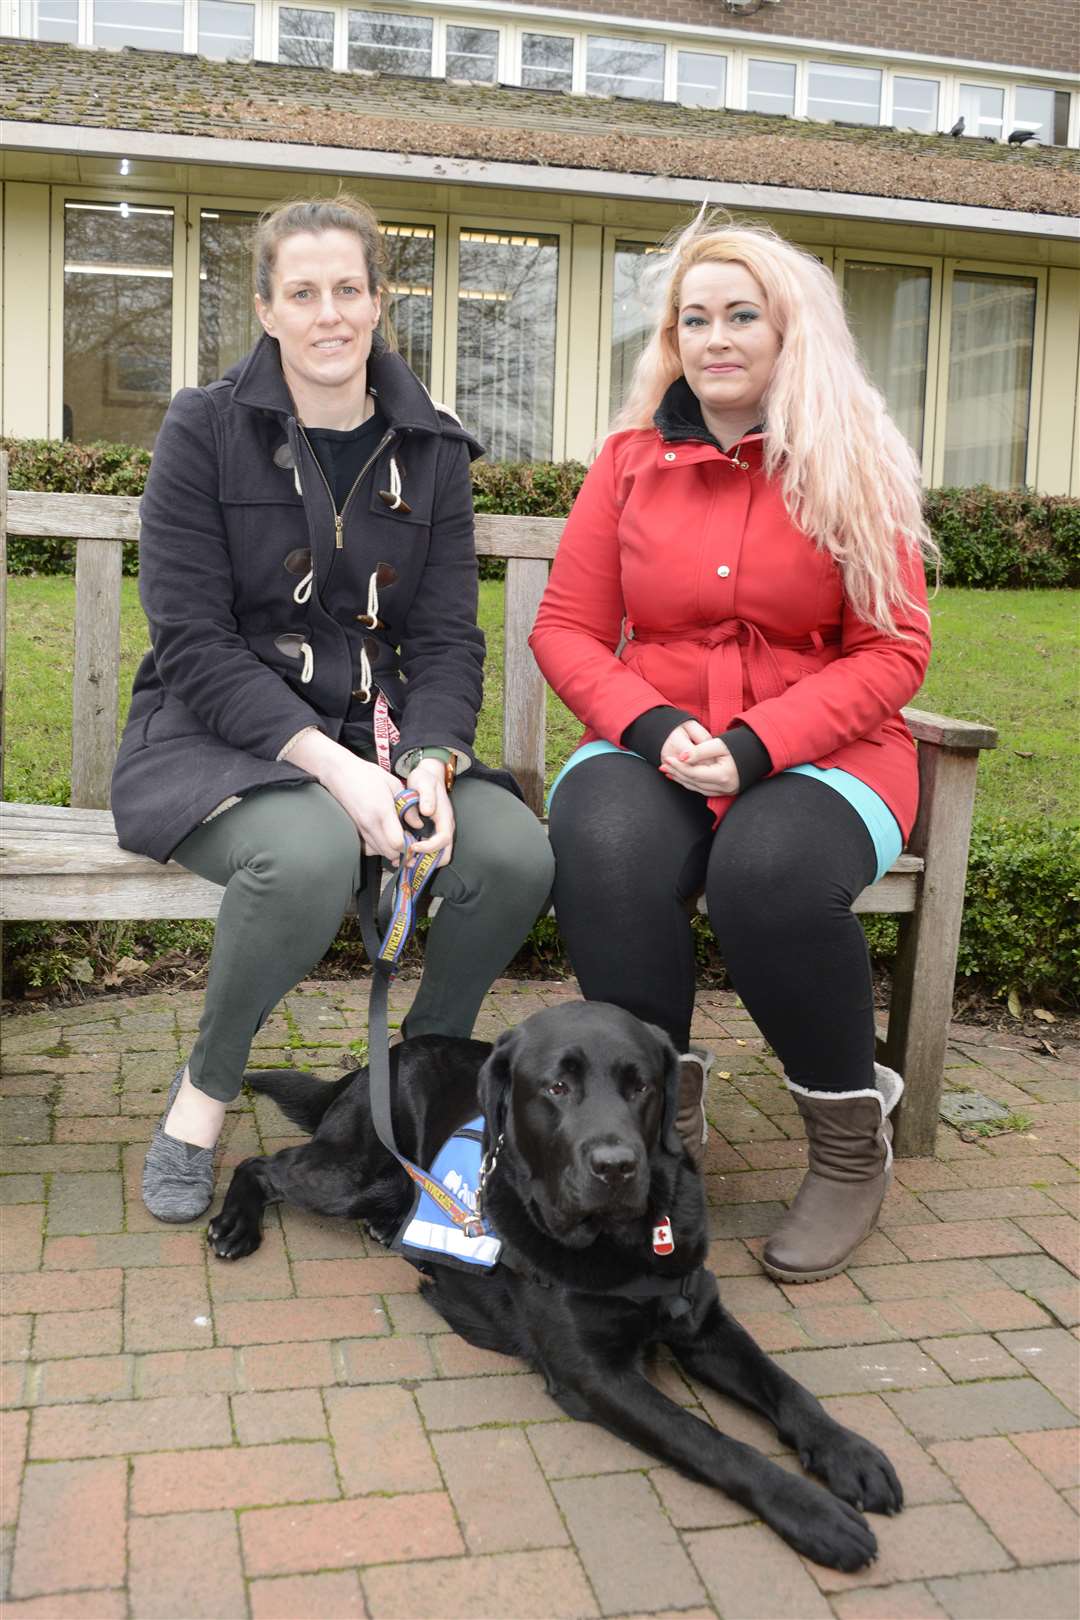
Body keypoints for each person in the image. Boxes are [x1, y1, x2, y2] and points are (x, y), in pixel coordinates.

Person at [112, 194, 554, 1224]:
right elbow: (194, 644)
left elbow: (446, 638)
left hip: (388, 738)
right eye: (301, 292)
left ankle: (413, 1086)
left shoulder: (433, 449)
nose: (327, 314)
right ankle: (205, 1093)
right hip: (221, 737)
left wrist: (435, 765)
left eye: (347, 289)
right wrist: (341, 773)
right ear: (266, 309)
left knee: (514, 855)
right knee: (306, 856)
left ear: (377, 301)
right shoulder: (203, 429)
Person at [529, 215, 934, 1284]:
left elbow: (894, 653)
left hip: (825, 749)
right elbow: (566, 629)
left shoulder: (855, 466)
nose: (715, 337)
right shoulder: (628, 464)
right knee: (604, 845)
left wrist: (758, 749)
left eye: (741, 315)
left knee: (768, 874)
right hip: (654, 738)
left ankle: (852, 1150)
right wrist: (659, 732)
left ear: (787, 330)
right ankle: (660, 1139)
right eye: (693, 318)